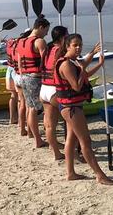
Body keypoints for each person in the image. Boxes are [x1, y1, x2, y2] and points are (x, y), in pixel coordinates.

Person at [55, 34, 113, 185]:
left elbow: (85, 75)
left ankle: (70, 173)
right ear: (67, 46)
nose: (78, 48)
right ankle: (99, 175)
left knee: (71, 139)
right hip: (72, 108)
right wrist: (82, 69)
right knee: (86, 142)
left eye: (80, 45)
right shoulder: (66, 64)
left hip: (69, 107)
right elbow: (76, 86)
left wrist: (98, 63)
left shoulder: (72, 61)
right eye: (75, 45)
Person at [17, 16, 50, 147]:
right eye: (46, 30)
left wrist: (22, 75)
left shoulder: (21, 41)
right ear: (40, 27)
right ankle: (38, 139)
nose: (47, 33)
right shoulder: (40, 42)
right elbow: (46, 62)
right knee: (37, 109)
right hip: (35, 78)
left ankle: (35, 137)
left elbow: (19, 62)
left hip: (23, 77)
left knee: (31, 108)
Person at [40, 25, 69, 160]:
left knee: (49, 125)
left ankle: (56, 153)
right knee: (70, 122)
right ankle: (73, 151)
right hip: (54, 90)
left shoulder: (48, 49)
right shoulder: (61, 51)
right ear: (63, 37)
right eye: (67, 36)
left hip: (44, 89)